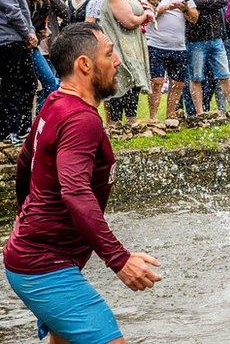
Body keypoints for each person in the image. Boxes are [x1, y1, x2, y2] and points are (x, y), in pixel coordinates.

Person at [4, 22, 162, 344]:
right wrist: (119, 259)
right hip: (45, 267)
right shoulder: (81, 119)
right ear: (85, 65)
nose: (116, 60)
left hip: (36, 257)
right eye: (109, 53)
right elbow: (75, 192)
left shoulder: (55, 102)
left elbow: (24, 160)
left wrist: (26, 217)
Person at [140, 0, 199, 120]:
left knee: (178, 83)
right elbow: (145, 17)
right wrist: (165, 7)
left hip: (179, 45)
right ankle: (153, 118)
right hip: (156, 43)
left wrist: (185, 8)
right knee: (157, 82)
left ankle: (170, 117)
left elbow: (194, 17)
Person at [182, 0, 230, 114]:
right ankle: (199, 112)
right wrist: (207, 1)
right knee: (196, 77)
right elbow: (191, 5)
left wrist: (201, 3)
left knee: (225, 74)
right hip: (195, 38)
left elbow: (222, 0)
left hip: (216, 37)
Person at [99, 0, 153, 124]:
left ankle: (130, 122)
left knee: (131, 84)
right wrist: (146, 15)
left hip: (128, 46)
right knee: (123, 82)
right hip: (121, 46)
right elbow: (129, 22)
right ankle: (120, 125)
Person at [0, 0, 37, 144]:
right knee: (13, 86)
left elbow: (22, 10)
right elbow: (12, 10)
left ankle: (22, 128)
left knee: (28, 84)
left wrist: (29, 30)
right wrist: (28, 33)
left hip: (17, 39)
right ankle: (10, 131)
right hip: (8, 40)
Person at [17, 0, 60, 116]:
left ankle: (41, 120)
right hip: (16, 45)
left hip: (32, 47)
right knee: (21, 87)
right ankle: (17, 128)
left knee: (50, 82)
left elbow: (62, 14)